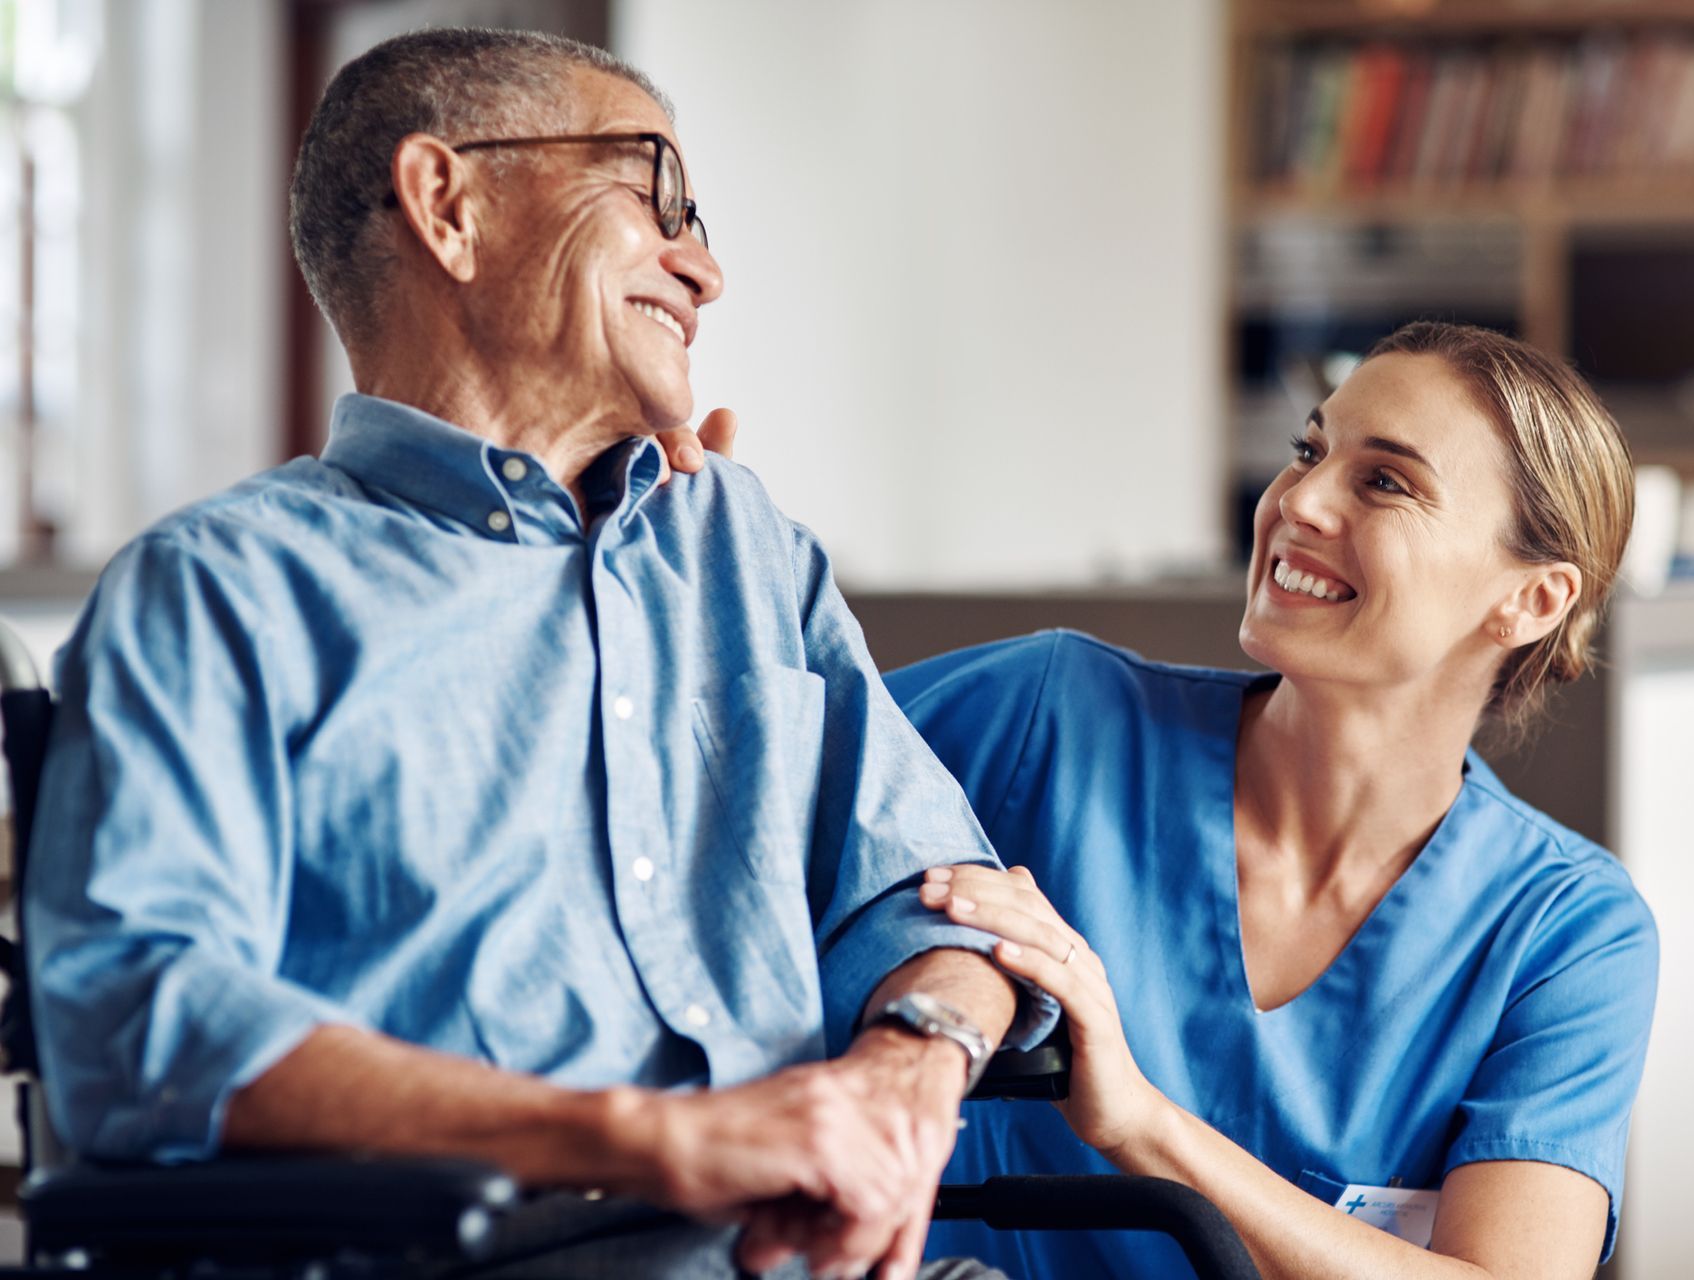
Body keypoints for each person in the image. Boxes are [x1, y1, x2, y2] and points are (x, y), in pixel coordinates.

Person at [23, 28, 1050, 1280]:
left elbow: (939, 901)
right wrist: (645, 1136)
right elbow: (138, 1016)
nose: (707, 267)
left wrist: (911, 1064)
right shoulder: (222, 591)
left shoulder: (744, 549)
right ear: (449, 205)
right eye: (654, 191)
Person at [891, 323, 1659, 1280]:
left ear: (1532, 600)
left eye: (1384, 481)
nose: (1299, 500)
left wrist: (1141, 1124)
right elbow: (734, 759)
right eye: (1309, 451)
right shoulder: (1046, 718)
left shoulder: (1566, 931)